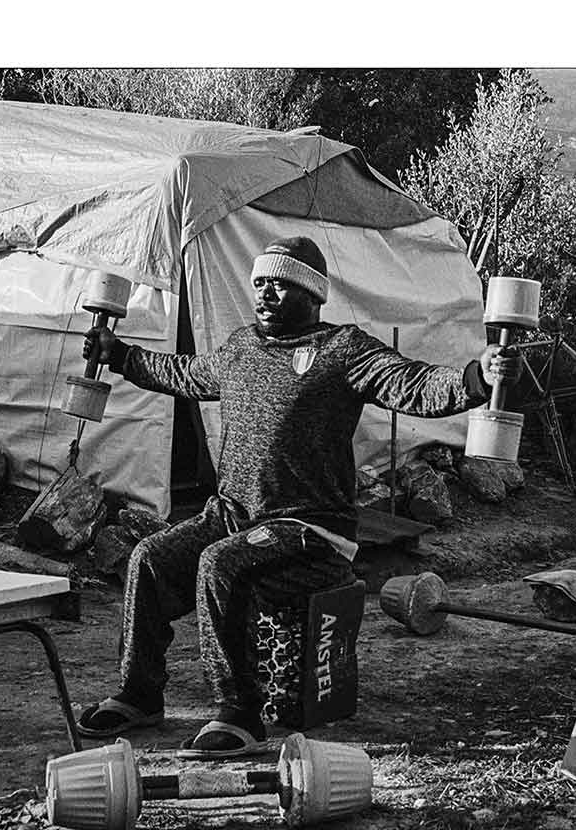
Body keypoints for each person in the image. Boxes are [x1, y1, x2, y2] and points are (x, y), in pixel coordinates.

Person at [75, 235, 514, 757]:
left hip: (309, 528)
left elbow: (412, 383)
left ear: (313, 294)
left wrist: (474, 378)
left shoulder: (342, 350)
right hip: (235, 515)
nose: (265, 293)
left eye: (280, 285)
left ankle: (240, 714)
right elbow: (183, 374)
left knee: (220, 565)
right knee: (149, 558)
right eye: (260, 282)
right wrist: (120, 355)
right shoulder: (241, 348)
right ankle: (140, 693)